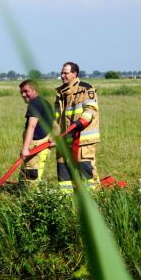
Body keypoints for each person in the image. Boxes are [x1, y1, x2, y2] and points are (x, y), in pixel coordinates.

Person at [54, 62, 100, 192]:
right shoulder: (60, 93)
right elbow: (56, 119)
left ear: (74, 74)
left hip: (83, 140)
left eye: (65, 73)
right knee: (63, 171)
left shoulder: (86, 89)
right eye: (61, 73)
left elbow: (91, 110)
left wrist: (81, 122)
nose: (62, 75)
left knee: (85, 170)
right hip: (64, 141)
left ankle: (94, 199)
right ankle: (66, 200)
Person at [18, 79, 54, 186]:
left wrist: (25, 149)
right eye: (21, 92)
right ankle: (24, 192)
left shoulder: (34, 104)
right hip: (42, 143)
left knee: (31, 174)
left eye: (26, 91)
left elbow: (31, 126)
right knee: (26, 173)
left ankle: (31, 198)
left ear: (35, 90)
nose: (23, 95)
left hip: (36, 144)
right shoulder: (44, 102)